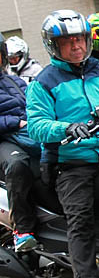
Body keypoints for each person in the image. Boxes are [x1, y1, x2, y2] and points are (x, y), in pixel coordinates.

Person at [26, 10, 99, 278]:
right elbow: (36, 125)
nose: (76, 46)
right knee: (79, 214)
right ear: (54, 46)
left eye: (79, 39)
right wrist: (66, 128)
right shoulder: (43, 82)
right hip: (70, 162)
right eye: (68, 42)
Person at [0, 35, 41, 252]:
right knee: (18, 165)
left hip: (27, 135)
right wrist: (15, 122)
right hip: (4, 140)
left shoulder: (13, 81)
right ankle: (22, 229)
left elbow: (35, 105)